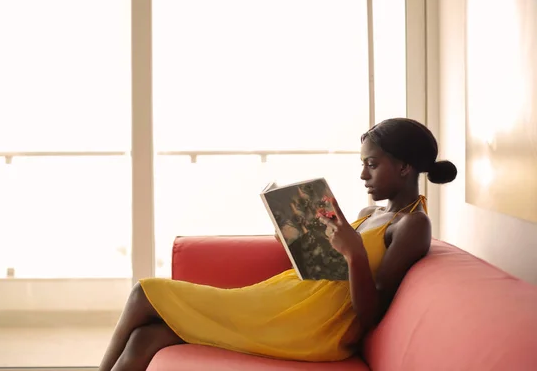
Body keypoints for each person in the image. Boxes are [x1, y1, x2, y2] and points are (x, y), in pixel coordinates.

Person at [98, 117, 457, 371]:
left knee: (143, 293)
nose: (363, 175)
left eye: (372, 165)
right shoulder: (369, 212)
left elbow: (372, 312)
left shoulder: (413, 225)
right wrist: (295, 239)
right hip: (292, 298)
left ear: (405, 168)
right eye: (363, 165)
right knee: (145, 339)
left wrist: (355, 253)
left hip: (311, 327)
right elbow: (327, 267)